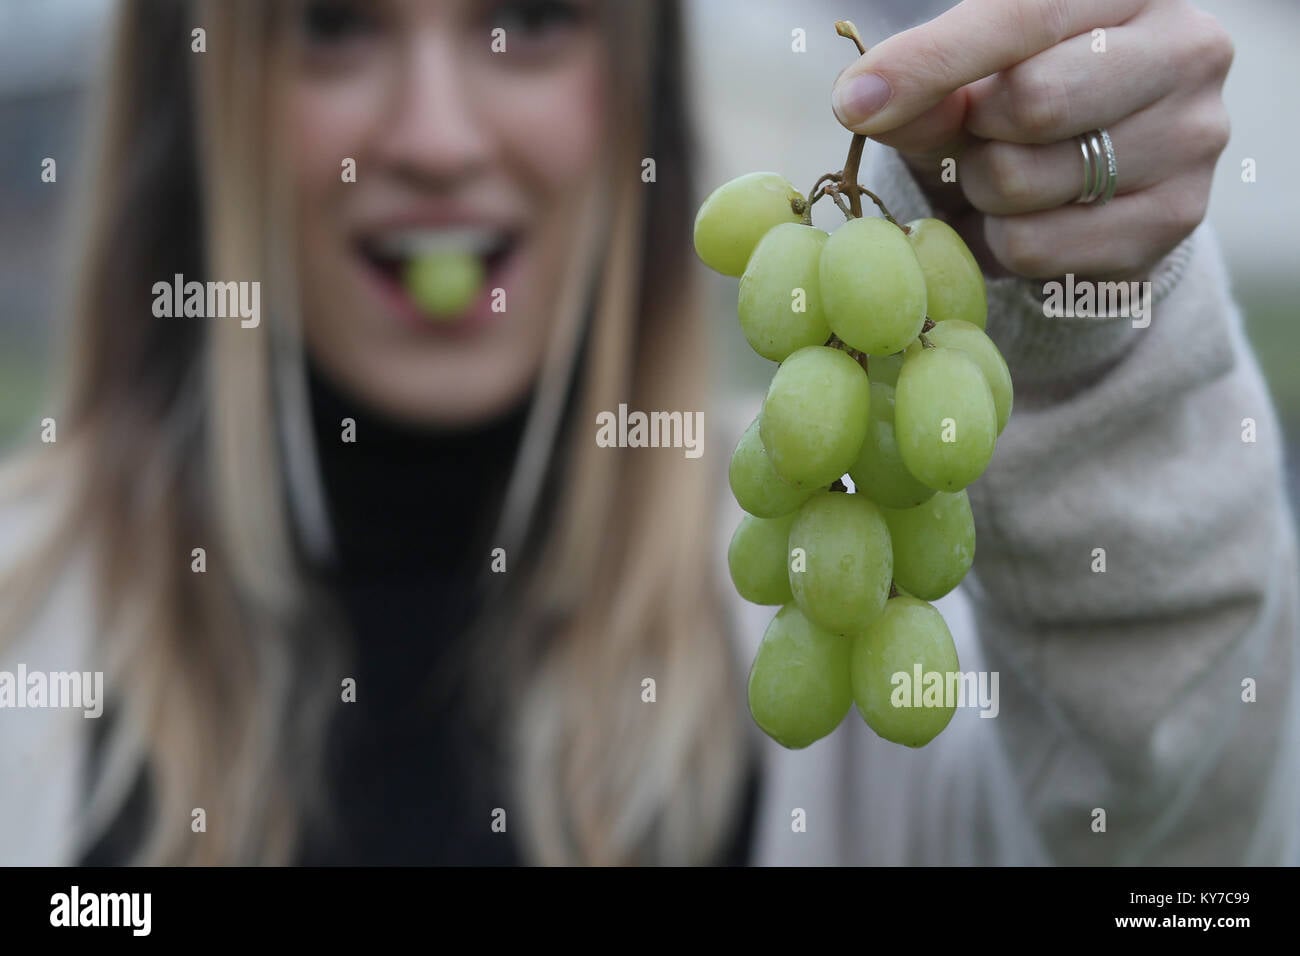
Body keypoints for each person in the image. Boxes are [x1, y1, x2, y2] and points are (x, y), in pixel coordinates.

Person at [0, 0, 1294, 867]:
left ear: (641, 104)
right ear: (200, 98)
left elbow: (1172, 838)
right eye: (335, 23)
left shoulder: (840, 603)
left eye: (530, 16)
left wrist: (1089, 327)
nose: (437, 140)